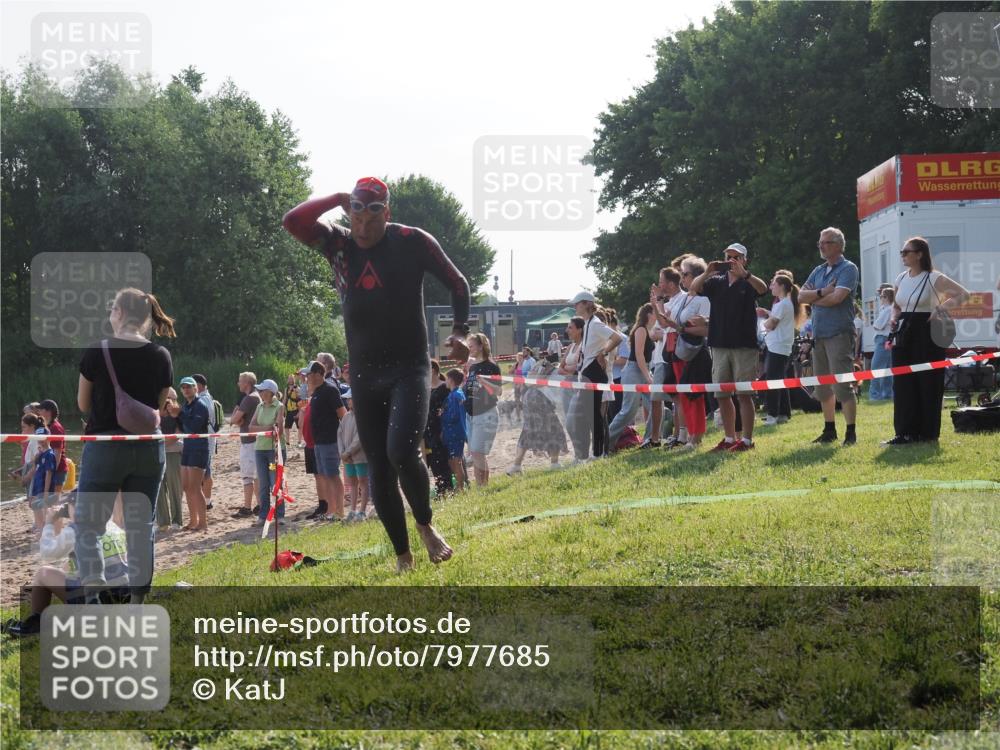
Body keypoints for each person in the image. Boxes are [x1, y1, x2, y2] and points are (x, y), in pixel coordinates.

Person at [284, 176, 469, 571]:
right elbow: (293, 222)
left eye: (372, 220)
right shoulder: (339, 243)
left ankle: (425, 525)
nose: (363, 229)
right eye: (356, 219)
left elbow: (458, 283)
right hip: (366, 374)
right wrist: (337, 197)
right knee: (379, 468)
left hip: (409, 367)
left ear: (387, 213)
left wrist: (459, 331)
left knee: (401, 451)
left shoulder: (411, 240)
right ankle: (403, 555)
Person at [75, 287, 174, 603]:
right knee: (140, 526)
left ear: (118, 313)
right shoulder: (161, 355)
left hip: (106, 446)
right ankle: (137, 601)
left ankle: (95, 592)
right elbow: (158, 406)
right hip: (148, 447)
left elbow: (83, 404)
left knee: (88, 525)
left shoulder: (97, 351)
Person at [884, 237, 970, 445]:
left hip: (928, 332)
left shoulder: (934, 277)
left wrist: (940, 308)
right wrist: (894, 317)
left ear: (919, 254)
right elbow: (897, 306)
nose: (903, 255)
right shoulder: (901, 278)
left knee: (928, 381)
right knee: (903, 383)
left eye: (907, 252)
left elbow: (964, 294)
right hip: (904, 330)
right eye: (902, 252)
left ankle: (928, 433)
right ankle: (904, 432)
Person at [7, 500, 129, 637]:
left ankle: (35, 625)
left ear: (77, 509)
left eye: (69, 506)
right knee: (67, 567)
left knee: (43, 573)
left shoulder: (76, 530)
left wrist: (49, 523)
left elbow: (47, 553)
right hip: (124, 595)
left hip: (97, 601)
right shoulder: (111, 525)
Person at [687, 243, 768, 451]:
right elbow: (693, 288)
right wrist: (707, 271)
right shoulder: (716, 282)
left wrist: (745, 274)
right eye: (728, 257)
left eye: (736, 257)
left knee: (744, 394)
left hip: (744, 346)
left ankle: (747, 440)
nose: (732, 260)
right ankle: (729, 438)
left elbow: (763, 289)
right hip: (719, 345)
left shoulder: (748, 282)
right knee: (722, 394)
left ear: (744, 260)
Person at [798, 228, 861, 445]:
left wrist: (815, 298)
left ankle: (850, 433)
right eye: (820, 242)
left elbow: (838, 299)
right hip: (819, 336)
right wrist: (823, 292)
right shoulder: (818, 270)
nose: (821, 246)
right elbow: (800, 297)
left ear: (838, 245)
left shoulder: (848, 268)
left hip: (839, 334)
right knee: (823, 387)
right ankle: (829, 430)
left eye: (826, 242)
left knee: (842, 385)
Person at [659, 257, 713, 450]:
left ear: (697, 276)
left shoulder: (703, 299)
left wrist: (680, 328)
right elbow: (666, 323)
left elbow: (707, 330)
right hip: (680, 351)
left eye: (685, 274)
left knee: (694, 395)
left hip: (695, 351)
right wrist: (658, 302)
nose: (681, 278)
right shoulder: (684, 299)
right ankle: (689, 434)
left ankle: (696, 436)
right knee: (683, 395)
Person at [570, 291, 625, 458]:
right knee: (591, 416)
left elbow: (617, 338)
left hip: (594, 371)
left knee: (595, 416)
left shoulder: (594, 323)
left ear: (586, 304)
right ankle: (597, 453)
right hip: (588, 371)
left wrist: (603, 352)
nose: (575, 306)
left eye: (577, 303)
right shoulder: (588, 323)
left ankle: (598, 453)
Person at [507, 358, 568, 474]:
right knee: (555, 430)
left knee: (527, 431)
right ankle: (554, 463)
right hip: (540, 398)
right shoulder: (557, 372)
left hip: (529, 396)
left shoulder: (544, 366)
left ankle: (516, 465)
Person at [303, 361, 347, 521]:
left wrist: (343, 439)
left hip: (330, 441)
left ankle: (339, 512)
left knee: (333, 475)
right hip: (318, 442)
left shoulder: (330, 390)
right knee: (325, 476)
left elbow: (342, 414)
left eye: (308, 374)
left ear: (317, 374)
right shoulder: (316, 392)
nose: (306, 377)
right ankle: (330, 510)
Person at [607, 303, 655, 450]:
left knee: (657, 406)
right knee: (628, 411)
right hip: (634, 372)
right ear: (649, 314)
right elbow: (639, 355)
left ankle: (649, 439)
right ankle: (606, 443)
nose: (658, 316)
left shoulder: (647, 330)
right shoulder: (641, 329)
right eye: (656, 313)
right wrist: (648, 377)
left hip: (642, 370)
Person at [649, 267, 685, 447]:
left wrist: (659, 302)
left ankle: (680, 434)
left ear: (671, 284)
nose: (659, 284)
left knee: (679, 396)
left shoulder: (683, 299)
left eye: (661, 281)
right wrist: (658, 303)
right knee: (672, 397)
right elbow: (656, 330)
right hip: (664, 355)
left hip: (676, 354)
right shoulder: (669, 301)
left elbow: (663, 325)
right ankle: (673, 435)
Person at [761, 274, 803, 425]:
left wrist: (763, 322)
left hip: (777, 347)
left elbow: (771, 324)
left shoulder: (783, 304)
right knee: (780, 380)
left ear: (782, 286)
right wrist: (768, 314)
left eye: (773, 284)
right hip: (780, 347)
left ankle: (772, 414)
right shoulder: (785, 304)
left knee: (773, 381)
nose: (771, 286)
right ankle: (783, 413)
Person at [464, 333, 502, 486]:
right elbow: (471, 389)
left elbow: (498, 391)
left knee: (477, 453)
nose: (469, 349)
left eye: (471, 346)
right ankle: (482, 487)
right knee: (476, 454)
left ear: (481, 346)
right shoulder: (473, 366)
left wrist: (484, 382)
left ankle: (482, 487)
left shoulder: (491, 366)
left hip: (486, 414)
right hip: (471, 415)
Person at [249, 379, 286, 528]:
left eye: (262, 390)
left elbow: (278, 430)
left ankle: (280, 515)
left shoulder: (279, 406)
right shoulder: (259, 406)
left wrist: (265, 429)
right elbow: (251, 427)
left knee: (275, 483)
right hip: (260, 449)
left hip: (274, 450)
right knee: (263, 484)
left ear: (270, 392)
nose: (260, 392)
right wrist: (266, 428)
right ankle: (263, 515)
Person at [178, 376, 210, 531]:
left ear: (196, 388)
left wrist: (179, 414)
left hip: (199, 448)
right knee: (186, 486)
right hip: (188, 447)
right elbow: (182, 428)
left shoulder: (200, 405)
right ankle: (193, 520)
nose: (186, 390)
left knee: (195, 487)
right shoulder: (186, 405)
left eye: (188, 387)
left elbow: (194, 427)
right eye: (183, 387)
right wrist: (175, 414)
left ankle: (203, 523)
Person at [229, 372, 262, 519]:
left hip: (249, 442)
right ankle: (258, 505)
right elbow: (237, 419)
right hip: (253, 440)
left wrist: (236, 419)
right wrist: (237, 420)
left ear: (247, 383)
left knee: (249, 476)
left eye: (240, 381)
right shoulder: (255, 396)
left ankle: (249, 507)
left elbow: (234, 419)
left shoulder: (249, 398)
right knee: (254, 475)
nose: (238, 384)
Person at [337, 390, 370, 522]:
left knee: (363, 481)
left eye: (350, 398)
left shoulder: (363, 416)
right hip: (347, 457)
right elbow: (339, 434)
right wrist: (342, 452)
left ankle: (362, 511)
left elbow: (359, 438)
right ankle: (352, 510)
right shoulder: (346, 416)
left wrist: (348, 452)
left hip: (360, 456)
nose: (347, 401)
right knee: (352, 483)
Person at [155, 388, 184, 530]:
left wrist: (161, 443)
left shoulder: (177, 414)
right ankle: (163, 522)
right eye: (165, 399)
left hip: (173, 453)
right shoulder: (154, 413)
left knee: (175, 487)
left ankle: (177, 520)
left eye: (171, 399)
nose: (168, 401)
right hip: (156, 454)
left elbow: (177, 434)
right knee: (159, 488)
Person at [425, 359, 453, 496]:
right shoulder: (424, 388)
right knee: (432, 460)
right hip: (427, 429)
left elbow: (449, 407)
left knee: (444, 459)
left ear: (433, 370)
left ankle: (449, 487)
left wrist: (445, 428)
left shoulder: (444, 387)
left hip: (441, 428)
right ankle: (440, 489)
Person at [190, 374, 218, 510]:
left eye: (191, 385)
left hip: (204, 440)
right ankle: (207, 501)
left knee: (205, 472)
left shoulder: (203, 399)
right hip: (205, 439)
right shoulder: (206, 397)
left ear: (199, 385)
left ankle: (206, 501)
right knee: (205, 471)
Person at [441, 369, 469, 491]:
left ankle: (460, 488)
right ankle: (459, 487)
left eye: (447, 379)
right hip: (454, 432)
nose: (445, 381)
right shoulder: (457, 393)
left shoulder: (455, 395)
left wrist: (442, 414)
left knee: (456, 462)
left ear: (451, 380)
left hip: (455, 433)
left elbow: (453, 416)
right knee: (453, 461)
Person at [37, 400, 67, 504]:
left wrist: (51, 472)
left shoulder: (55, 428)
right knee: (49, 501)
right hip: (50, 468)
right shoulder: (48, 427)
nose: (39, 412)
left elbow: (57, 453)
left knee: (54, 502)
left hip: (57, 470)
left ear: (48, 411)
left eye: (41, 410)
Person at [869, 287, 896, 401]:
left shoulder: (887, 309)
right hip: (887, 340)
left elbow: (877, 325)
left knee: (875, 367)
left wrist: (877, 324)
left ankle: (875, 395)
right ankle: (887, 394)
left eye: (882, 296)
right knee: (887, 368)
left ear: (887, 297)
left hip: (882, 340)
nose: (880, 298)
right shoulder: (888, 309)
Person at [28, 429, 57, 532]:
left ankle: (44, 528)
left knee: (44, 507)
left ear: (48, 438)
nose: (40, 439)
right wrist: (37, 457)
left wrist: (46, 491)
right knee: (35, 505)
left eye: (42, 437)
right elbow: (36, 468)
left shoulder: (50, 454)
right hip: (37, 485)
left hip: (44, 487)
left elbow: (49, 473)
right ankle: (40, 526)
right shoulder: (40, 454)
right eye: (38, 437)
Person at [284, 373, 302, 447]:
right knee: (286, 427)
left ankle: (299, 441)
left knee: (299, 426)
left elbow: (299, 398)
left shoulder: (297, 388)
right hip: (289, 410)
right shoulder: (286, 389)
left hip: (296, 410)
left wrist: (296, 392)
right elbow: (285, 398)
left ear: (294, 380)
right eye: (289, 378)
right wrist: (283, 407)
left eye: (292, 378)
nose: (290, 380)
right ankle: (287, 442)